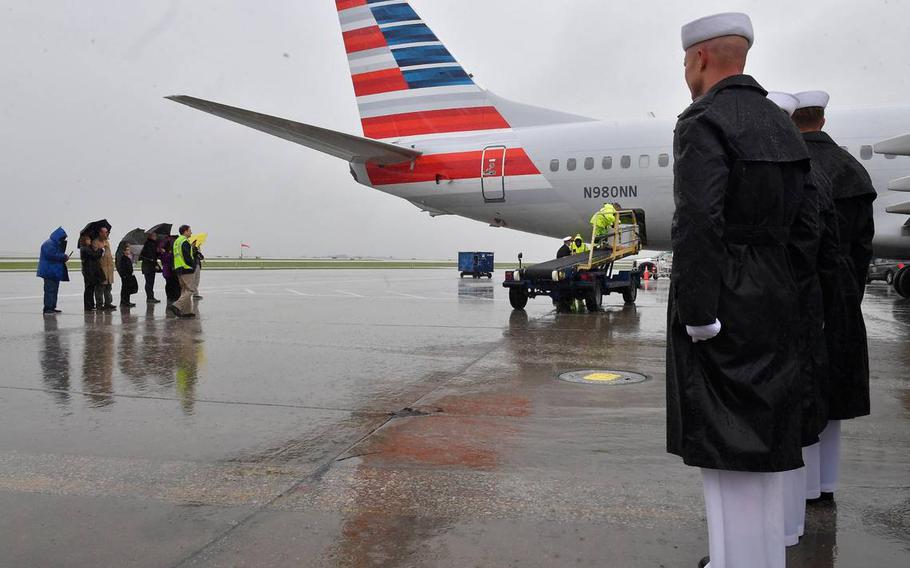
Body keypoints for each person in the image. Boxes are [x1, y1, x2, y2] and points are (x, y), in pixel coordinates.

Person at [665, 13, 810, 568]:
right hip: (775, 294)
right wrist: (788, 292)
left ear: (700, 58)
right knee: (767, 441)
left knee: (726, 447)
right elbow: (806, 226)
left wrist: (699, 313)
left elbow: (699, 221)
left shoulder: (703, 121)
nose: (684, 70)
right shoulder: (781, 125)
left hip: (725, 294)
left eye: (684, 60)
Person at [792, 90, 875, 506]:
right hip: (843, 289)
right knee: (835, 393)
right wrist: (849, 291)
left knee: (804, 390)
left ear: (793, 121)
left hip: (802, 290)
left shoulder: (793, 166)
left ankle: (803, 488)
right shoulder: (853, 169)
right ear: (822, 120)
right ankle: (826, 484)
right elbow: (863, 246)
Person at [767, 91, 841, 547]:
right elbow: (823, 250)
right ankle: (789, 529)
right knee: (800, 415)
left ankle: (771, 536)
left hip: (766, 313)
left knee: (768, 425)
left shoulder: (759, 174)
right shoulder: (811, 174)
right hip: (804, 309)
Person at [37, 227, 70, 314]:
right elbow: (52, 255)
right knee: (50, 290)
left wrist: (63, 257)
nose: (63, 240)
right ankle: (48, 308)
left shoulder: (54, 244)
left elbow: (55, 255)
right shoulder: (49, 244)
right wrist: (63, 256)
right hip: (49, 271)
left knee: (54, 290)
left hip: (54, 271)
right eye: (63, 238)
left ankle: (52, 307)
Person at [168, 225, 197, 318]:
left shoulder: (177, 242)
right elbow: (187, 256)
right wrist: (193, 265)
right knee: (190, 289)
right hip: (186, 269)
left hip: (179, 268)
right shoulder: (184, 242)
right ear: (185, 231)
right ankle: (176, 305)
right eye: (190, 231)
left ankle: (186, 312)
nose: (191, 232)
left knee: (184, 290)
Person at [94, 227, 116, 311]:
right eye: (105, 232)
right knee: (100, 288)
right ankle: (99, 304)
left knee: (108, 287)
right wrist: (102, 247)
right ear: (100, 233)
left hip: (109, 269)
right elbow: (96, 255)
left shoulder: (107, 242)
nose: (106, 234)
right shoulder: (96, 242)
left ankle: (108, 303)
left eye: (107, 232)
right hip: (102, 269)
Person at [79, 234, 103, 311]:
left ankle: (91, 305)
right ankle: (88, 306)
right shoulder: (85, 249)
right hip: (89, 271)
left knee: (90, 289)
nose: (90, 241)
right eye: (88, 240)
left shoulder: (86, 248)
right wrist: (100, 250)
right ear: (85, 241)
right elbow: (94, 255)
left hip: (90, 270)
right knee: (89, 289)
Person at [139, 232, 161, 304]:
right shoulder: (149, 244)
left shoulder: (152, 244)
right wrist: (155, 264)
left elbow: (154, 255)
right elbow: (151, 256)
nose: (156, 236)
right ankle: (150, 297)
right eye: (154, 235)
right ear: (150, 236)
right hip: (148, 266)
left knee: (150, 282)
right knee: (149, 282)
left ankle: (150, 297)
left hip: (149, 266)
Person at [159, 238, 181, 304]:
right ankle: (174, 296)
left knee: (169, 284)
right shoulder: (169, 254)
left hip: (166, 271)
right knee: (173, 284)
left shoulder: (163, 254)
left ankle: (170, 296)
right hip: (170, 271)